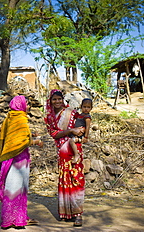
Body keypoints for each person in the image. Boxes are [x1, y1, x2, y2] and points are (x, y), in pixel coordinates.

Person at [0, 95, 43, 230]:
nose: (29, 107)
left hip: (10, 159)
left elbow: (12, 136)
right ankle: (14, 220)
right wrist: (36, 141)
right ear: (20, 105)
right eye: (27, 104)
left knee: (12, 188)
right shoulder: (20, 119)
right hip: (19, 160)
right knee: (17, 188)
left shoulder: (10, 118)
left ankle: (16, 218)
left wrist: (31, 134)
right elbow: (21, 141)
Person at [44, 89, 85, 227]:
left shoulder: (72, 113)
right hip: (62, 152)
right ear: (50, 101)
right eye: (54, 99)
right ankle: (67, 212)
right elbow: (54, 134)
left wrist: (80, 131)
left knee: (75, 179)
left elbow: (82, 125)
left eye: (59, 99)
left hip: (74, 151)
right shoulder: (49, 117)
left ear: (63, 100)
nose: (57, 102)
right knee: (64, 180)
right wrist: (70, 131)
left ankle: (78, 214)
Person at [68, 98, 93, 164]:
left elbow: (87, 127)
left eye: (88, 107)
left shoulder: (87, 117)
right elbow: (74, 115)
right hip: (75, 133)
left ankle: (76, 155)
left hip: (80, 136)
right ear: (81, 106)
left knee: (71, 141)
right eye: (84, 107)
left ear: (91, 108)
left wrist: (86, 137)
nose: (86, 109)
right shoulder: (80, 115)